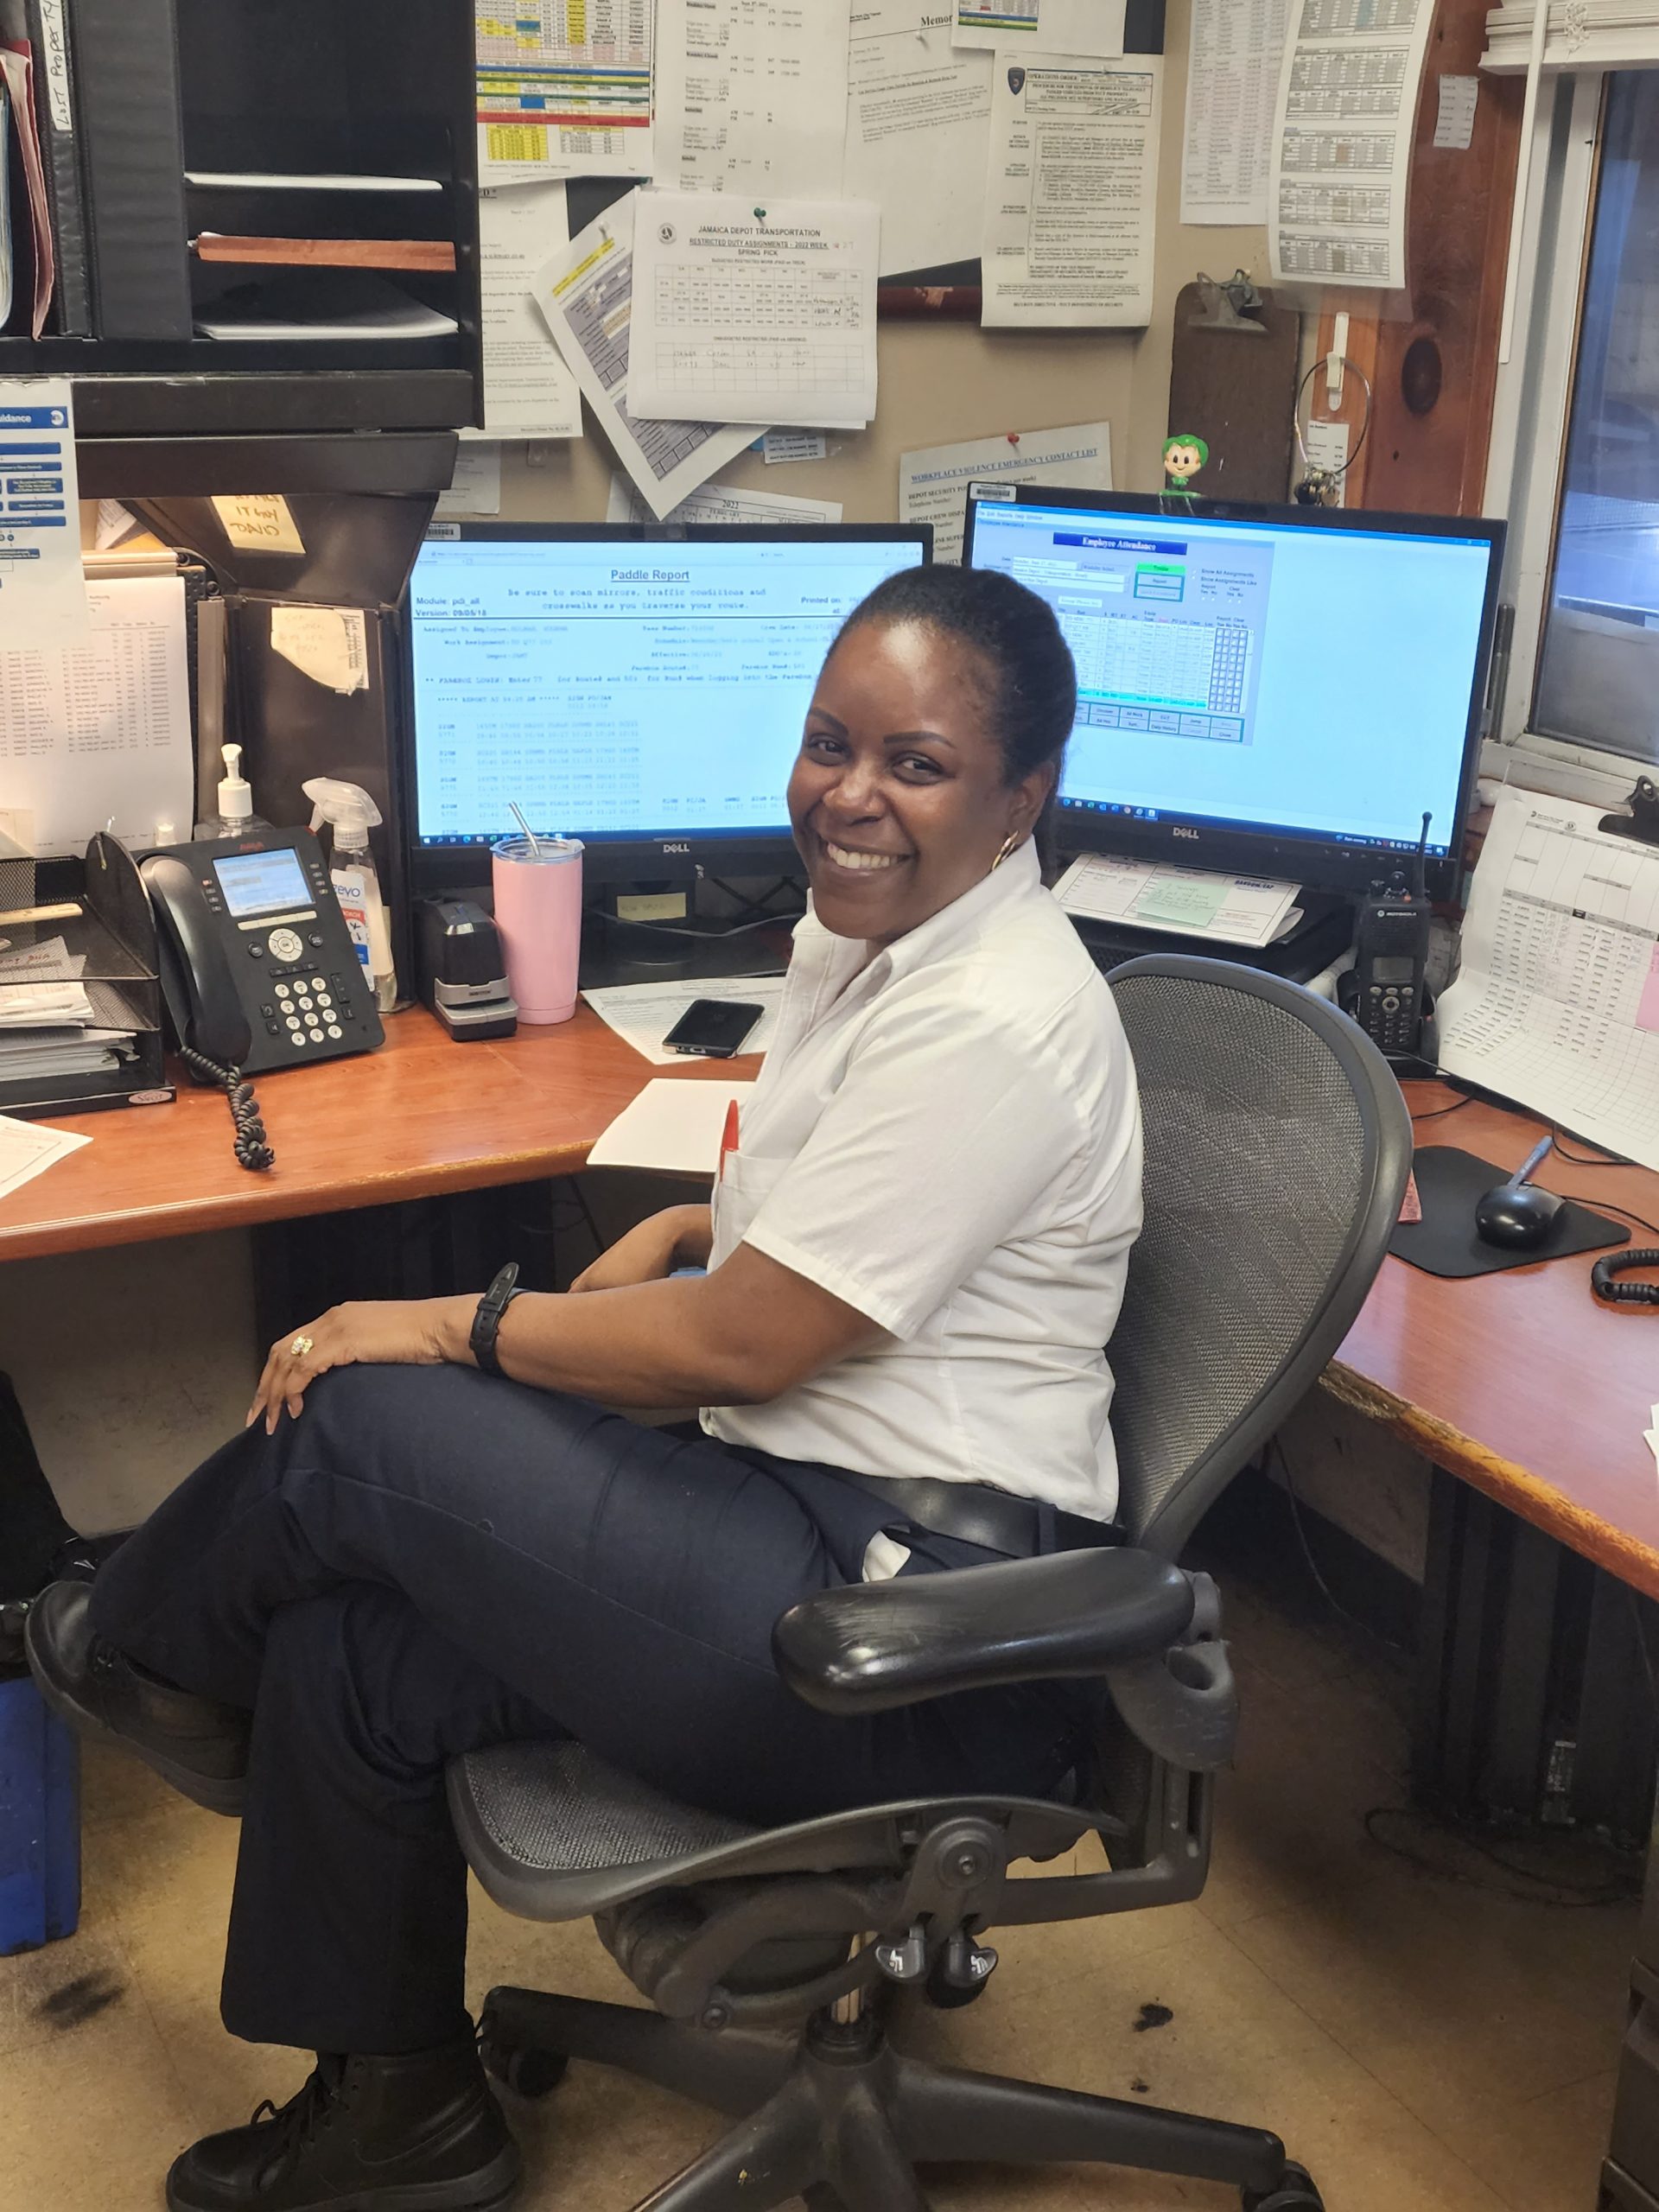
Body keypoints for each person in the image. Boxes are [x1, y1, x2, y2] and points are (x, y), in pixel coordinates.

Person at [26, 564, 1143, 2212]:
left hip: (915, 1639)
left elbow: (745, 1345)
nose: (849, 794)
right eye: (829, 742)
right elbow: (853, 1239)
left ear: (1022, 797)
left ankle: (135, 1651)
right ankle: (403, 2116)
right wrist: (700, 1224)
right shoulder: (881, 941)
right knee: (355, 1641)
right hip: (800, 1508)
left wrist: (458, 1320)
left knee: (356, 1421)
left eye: (915, 764)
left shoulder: (994, 1014)